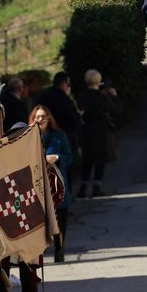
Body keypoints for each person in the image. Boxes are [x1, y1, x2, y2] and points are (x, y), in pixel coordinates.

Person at [29, 105, 73, 263]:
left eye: (43, 116)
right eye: (37, 117)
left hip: (56, 183)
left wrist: (58, 158)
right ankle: (38, 254)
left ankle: (59, 249)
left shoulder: (59, 136)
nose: (40, 120)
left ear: (49, 118)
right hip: (37, 186)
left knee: (61, 219)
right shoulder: (28, 137)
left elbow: (70, 156)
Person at [75, 69, 116, 198]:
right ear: (98, 81)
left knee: (87, 160)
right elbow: (116, 109)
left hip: (86, 130)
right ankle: (96, 187)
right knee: (100, 160)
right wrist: (114, 96)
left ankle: (83, 187)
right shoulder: (103, 97)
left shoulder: (81, 96)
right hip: (101, 130)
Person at [37, 71, 82, 156]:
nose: (68, 87)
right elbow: (72, 120)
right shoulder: (64, 99)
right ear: (63, 83)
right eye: (68, 84)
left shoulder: (44, 96)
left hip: (46, 136)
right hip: (64, 137)